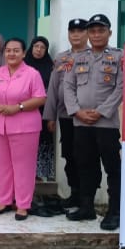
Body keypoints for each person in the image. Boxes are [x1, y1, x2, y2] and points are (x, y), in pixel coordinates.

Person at [64, 14, 123, 231]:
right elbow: (68, 86)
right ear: (88, 34)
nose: (96, 35)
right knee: (85, 165)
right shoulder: (78, 58)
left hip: (106, 124)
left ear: (109, 32)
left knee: (113, 168)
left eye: (101, 31)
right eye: (93, 31)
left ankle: (114, 211)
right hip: (81, 123)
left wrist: (101, 112)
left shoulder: (119, 57)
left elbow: (122, 87)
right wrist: (76, 111)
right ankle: (86, 206)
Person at [0, 37, 46, 221]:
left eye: (16, 50)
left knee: (23, 167)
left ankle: (23, 205)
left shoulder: (32, 74)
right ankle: (4, 200)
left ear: (24, 53)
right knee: (2, 165)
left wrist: (18, 107)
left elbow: (40, 98)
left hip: (25, 126)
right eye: (8, 50)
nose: (12, 54)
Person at [43, 18, 89, 208]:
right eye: (72, 32)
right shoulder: (61, 58)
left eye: (80, 31)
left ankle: (86, 197)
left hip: (87, 117)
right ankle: (74, 193)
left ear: (86, 34)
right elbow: (54, 88)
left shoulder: (94, 56)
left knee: (85, 157)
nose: (76, 35)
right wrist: (50, 116)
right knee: (69, 156)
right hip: (65, 116)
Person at [24, 36, 55, 181]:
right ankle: (27, 173)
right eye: (36, 46)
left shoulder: (50, 66)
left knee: (43, 141)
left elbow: (52, 90)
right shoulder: (23, 65)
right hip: (24, 110)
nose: (39, 50)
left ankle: (42, 173)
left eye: (42, 47)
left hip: (44, 110)